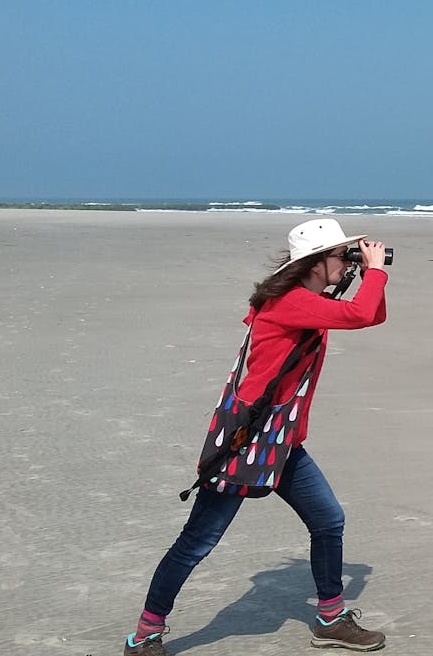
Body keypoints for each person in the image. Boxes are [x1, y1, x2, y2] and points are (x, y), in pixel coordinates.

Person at [124, 218, 391, 654]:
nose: (349, 263)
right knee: (198, 541)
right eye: (343, 256)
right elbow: (362, 313)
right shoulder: (291, 302)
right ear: (316, 261)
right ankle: (145, 635)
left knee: (328, 520)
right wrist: (376, 270)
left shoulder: (306, 301)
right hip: (248, 442)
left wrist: (370, 274)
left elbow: (372, 313)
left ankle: (330, 618)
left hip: (282, 443)